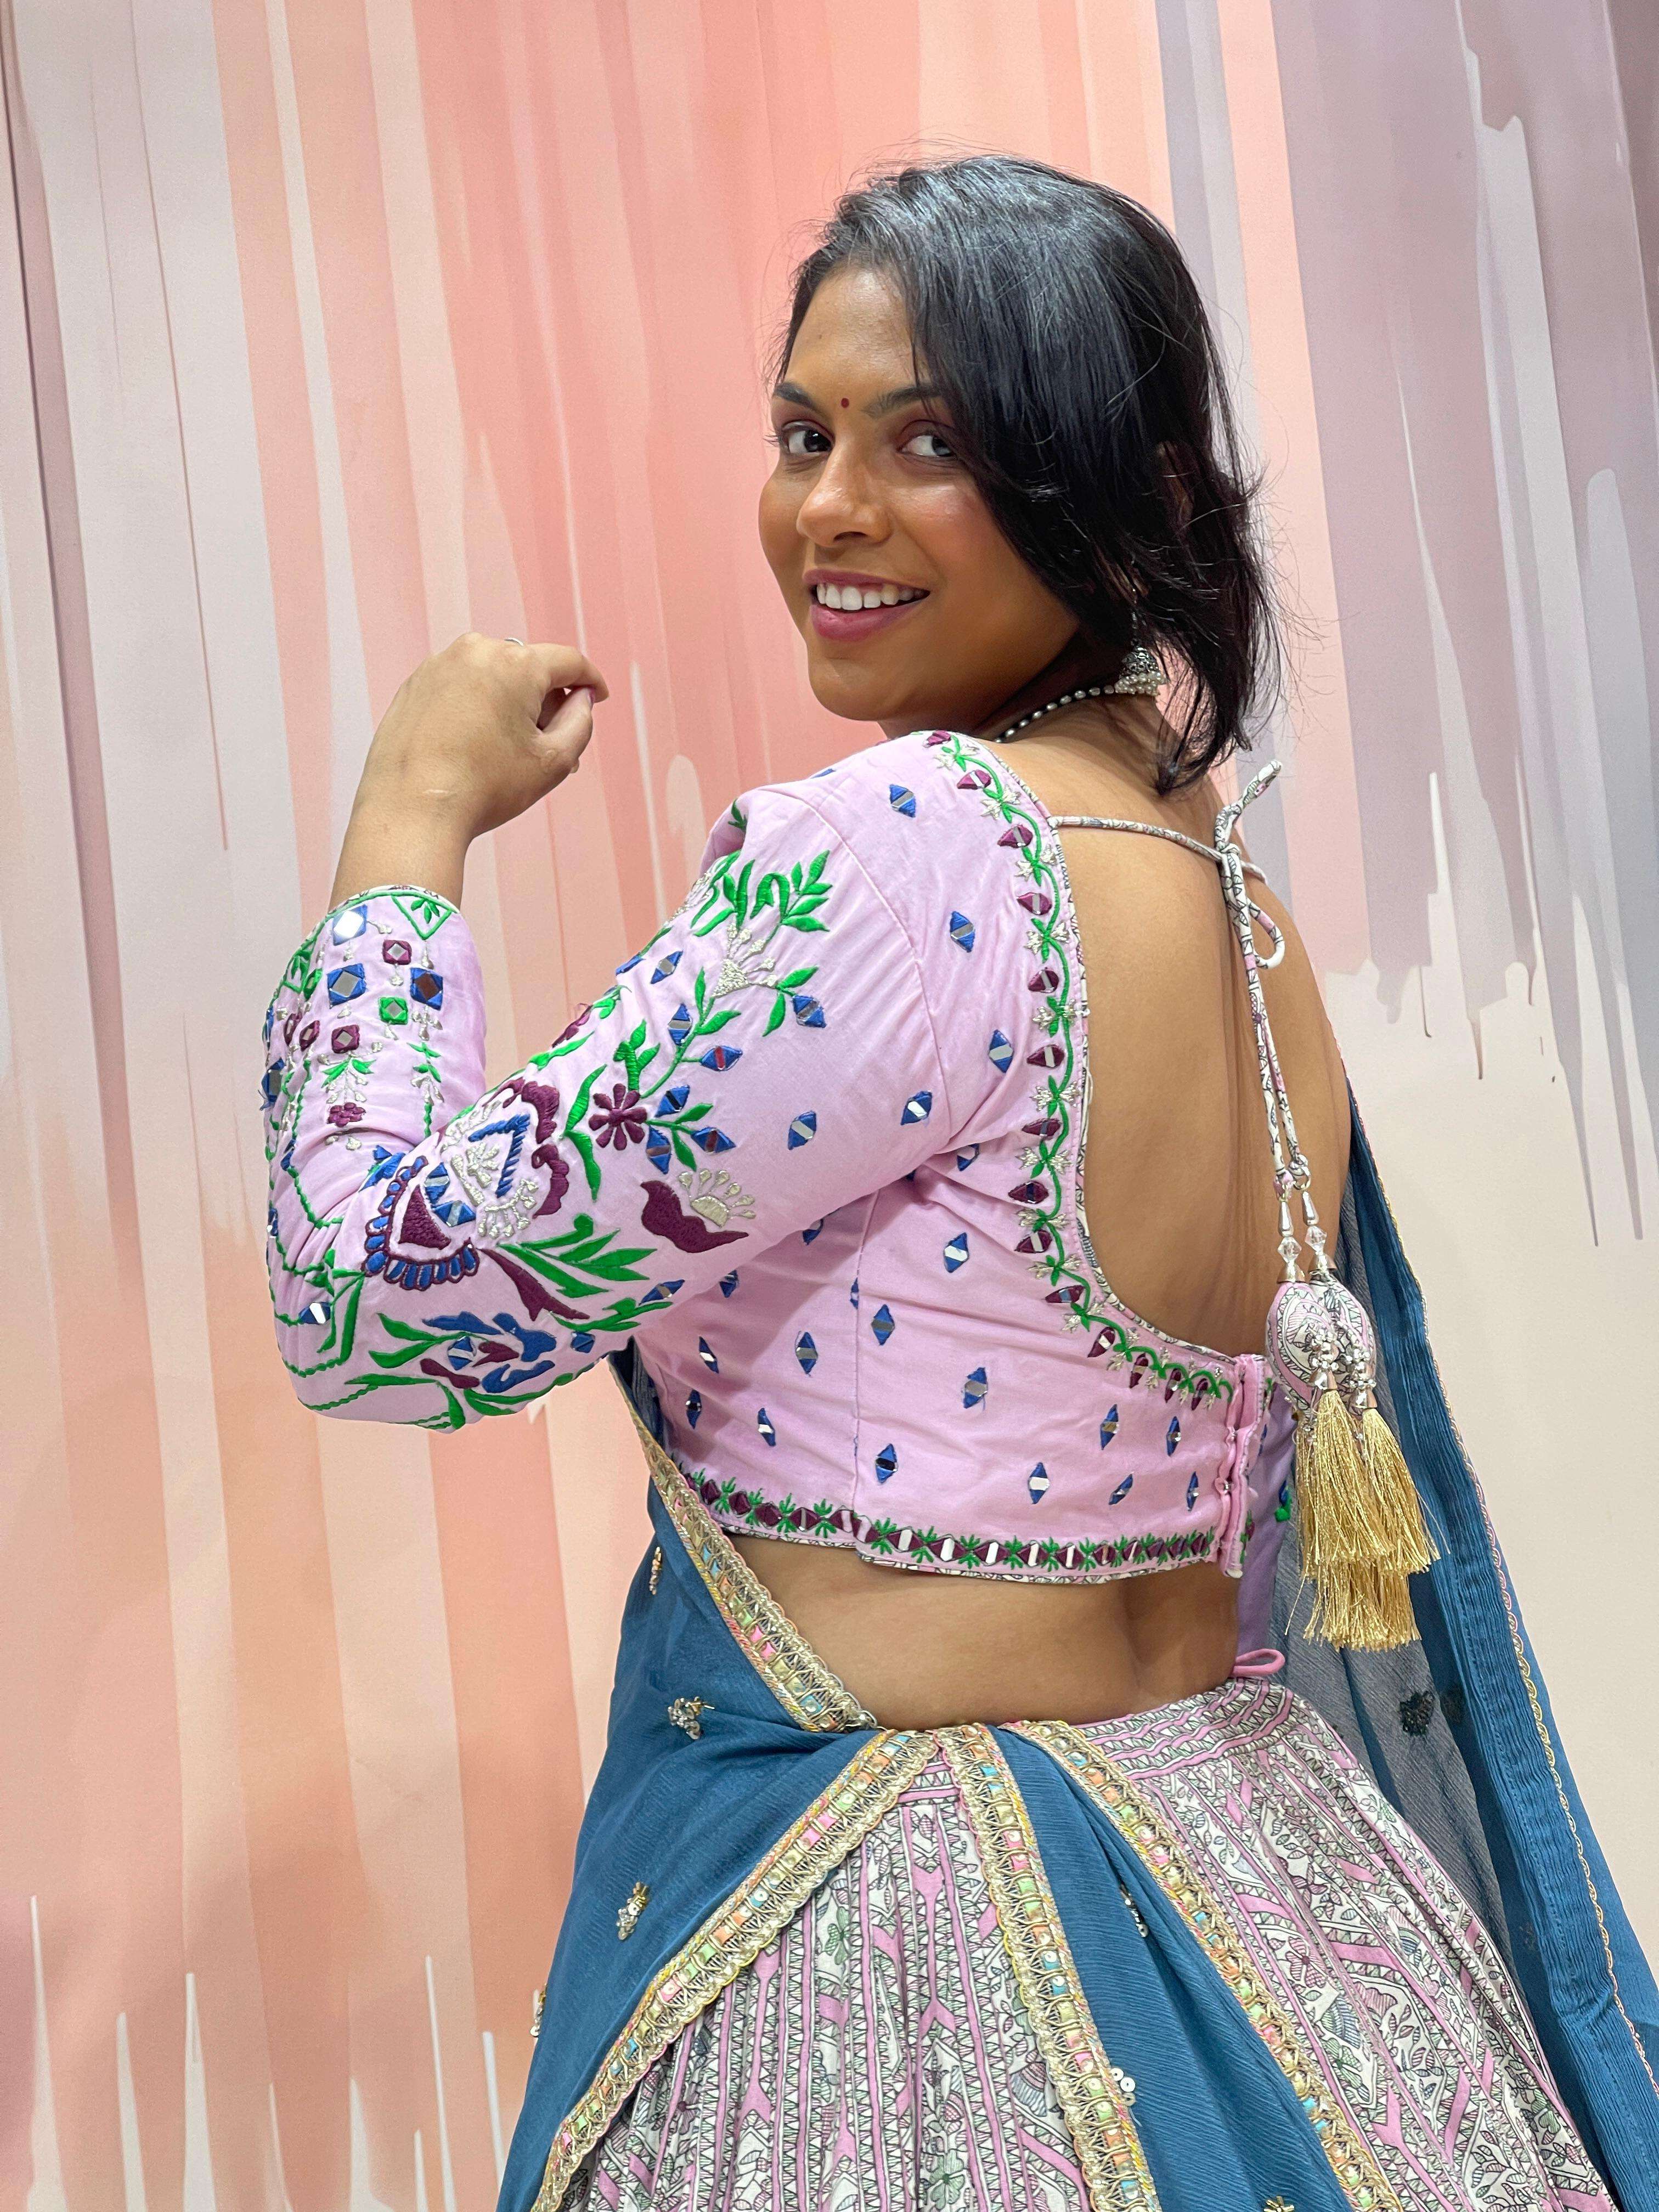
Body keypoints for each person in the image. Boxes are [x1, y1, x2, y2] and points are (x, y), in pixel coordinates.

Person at [259, 157, 1658, 2211]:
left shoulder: (904, 855)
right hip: (1272, 1903)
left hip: (914, 1957)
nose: (831, 509)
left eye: (930, 444)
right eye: (802, 435)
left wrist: (405, 830)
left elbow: (377, 1307)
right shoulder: (1227, 888)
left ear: (1122, 488)